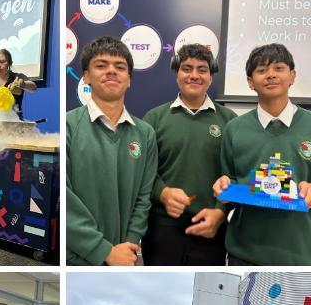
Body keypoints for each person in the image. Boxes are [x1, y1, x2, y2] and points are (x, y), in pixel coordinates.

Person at [214, 43, 311, 265]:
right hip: (245, 252)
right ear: (250, 81)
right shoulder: (234, 129)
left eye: (278, 68)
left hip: (301, 252)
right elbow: (230, 180)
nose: (270, 75)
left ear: (292, 75)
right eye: (261, 70)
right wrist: (224, 185)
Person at [142, 44, 237, 265]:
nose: (194, 75)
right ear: (177, 73)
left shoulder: (230, 121)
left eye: (202, 69)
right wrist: (163, 193)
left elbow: (236, 174)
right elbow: (143, 173)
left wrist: (221, 213)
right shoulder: (154, 119)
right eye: (187, 68)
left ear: (211, 76)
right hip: (161, 230)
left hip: (212, 229)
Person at [67, 37, 156, 265]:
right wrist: (104, 251)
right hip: (77, 259)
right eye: (101, 65)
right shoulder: (68, 126)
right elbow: (64, 200)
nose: (111, 72)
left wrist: (129, 244)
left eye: (120, 67)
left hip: (126, 255)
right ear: (86, 76)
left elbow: (144, 198)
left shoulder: (145, 134)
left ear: (129, 80)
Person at [0, 49, 37, 125]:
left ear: (9, 64)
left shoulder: (18, 77)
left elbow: (33, 87)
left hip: (15, 126)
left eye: (2, 62)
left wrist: (23, 84)